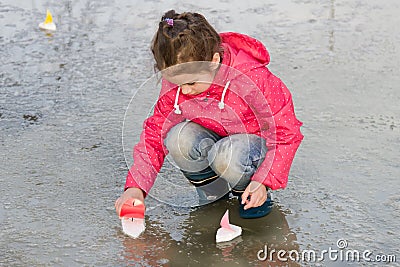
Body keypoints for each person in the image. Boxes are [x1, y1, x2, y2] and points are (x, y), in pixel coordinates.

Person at [115, 10, 303, 219]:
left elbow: (287, 132)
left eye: (191, 83)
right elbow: (154, 134)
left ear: (213, 61)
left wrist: (263, 180)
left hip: (250, 150)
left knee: (227, 154)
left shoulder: (252, 78)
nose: (184, 91)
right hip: (216, 140)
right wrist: (135, 188)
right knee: (178, 137)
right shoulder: (179, 81)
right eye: (177, 84)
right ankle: (213, 191)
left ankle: (249, 194)